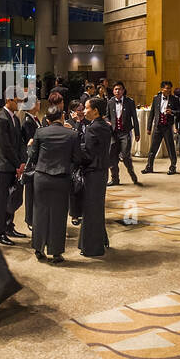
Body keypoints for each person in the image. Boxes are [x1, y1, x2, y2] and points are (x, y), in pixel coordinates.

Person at [25, 99, 78, 264]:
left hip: (41, 177)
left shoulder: (40, 133)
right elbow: (77, 158)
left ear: (47, 120)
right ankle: (56, 253)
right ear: (62, 117)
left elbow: (33, 156)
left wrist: (29, 146)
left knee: (40, 213)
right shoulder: (72, 134)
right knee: (58, 215)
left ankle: (38, 249)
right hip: (61, 178)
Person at [75, 99, 114, 258]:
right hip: (102, 172)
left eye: (86, 108)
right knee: (97, 208)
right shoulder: (104, 125)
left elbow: (88, 154)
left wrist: (74, 152)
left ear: (96, 111)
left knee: (90, 210)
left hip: (93, 173)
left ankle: (91, 248)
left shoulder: (93, 128)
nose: (84, 111)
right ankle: (101, 240)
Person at [0, 95, 32, 244]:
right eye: (18, 101)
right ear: (8, 100)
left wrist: (22, 162)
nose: (20, 104)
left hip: (13, 164)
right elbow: (4, 146)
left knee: (12, 198)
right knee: (2, 200)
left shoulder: (14, 118)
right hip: (3, 166)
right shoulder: (1, 119)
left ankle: (9, 226)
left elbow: (20, 142)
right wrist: (17, 164)